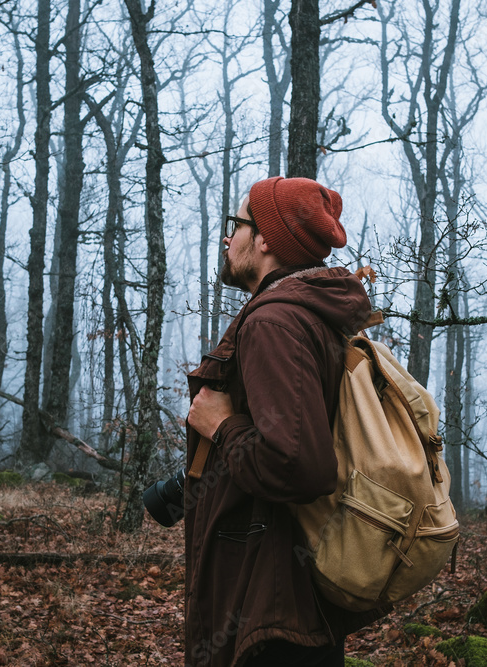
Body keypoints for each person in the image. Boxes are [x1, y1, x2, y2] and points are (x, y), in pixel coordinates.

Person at [183, 176, 386, 667]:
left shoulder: (275, 323)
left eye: (238, 225)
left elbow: (298, 463)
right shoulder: (305, 315)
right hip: (284, 594)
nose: (228, 238)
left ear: (267, 239)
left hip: (269, 604)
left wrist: (220, 427)